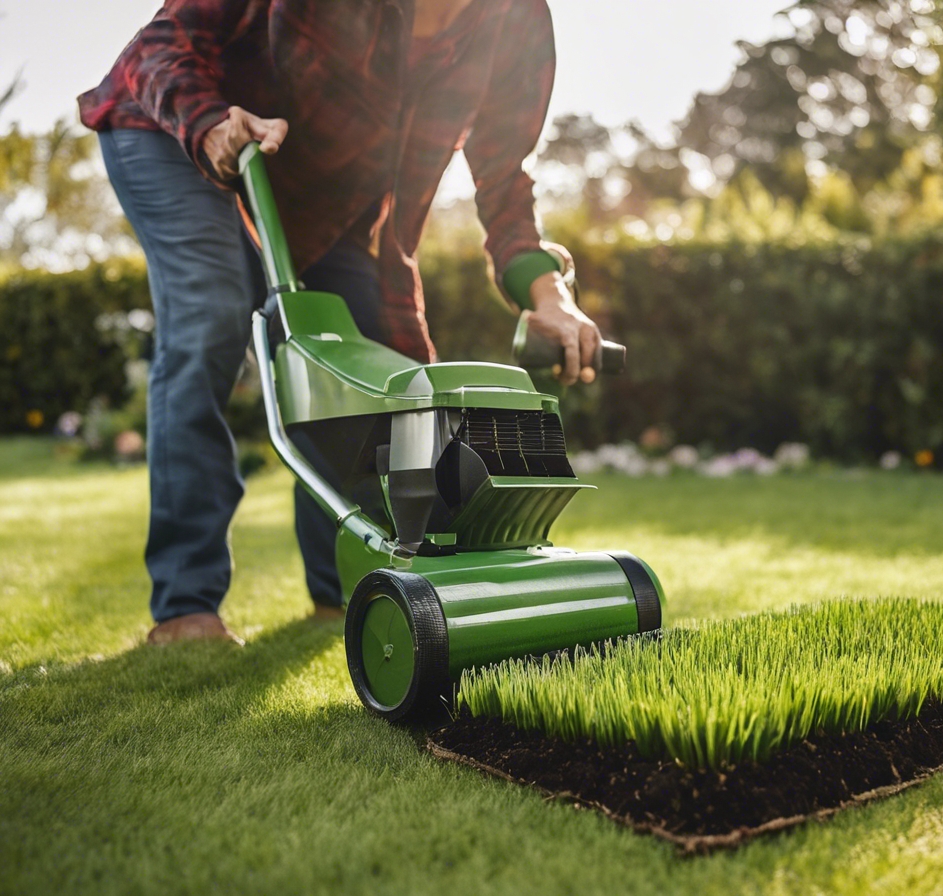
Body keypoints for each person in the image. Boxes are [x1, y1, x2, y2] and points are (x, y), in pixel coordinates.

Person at [78, 0, 601, 645]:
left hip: (326, 206)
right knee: (210, 317)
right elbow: (164, 41)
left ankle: (347, 593)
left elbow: (503, 183)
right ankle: (187, 605)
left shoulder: (515, 22)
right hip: (174, 134)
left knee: (383, 372)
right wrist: (209, 120)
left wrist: (550, 296)